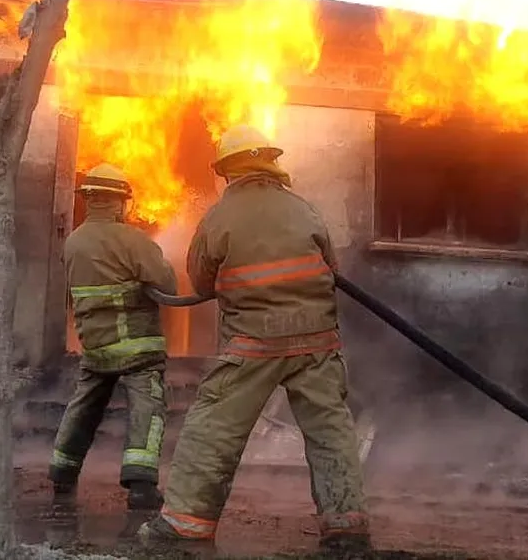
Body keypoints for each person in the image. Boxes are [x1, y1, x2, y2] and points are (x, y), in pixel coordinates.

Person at [139, 125, 370, 552]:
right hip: (316, 343)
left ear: (228, 171)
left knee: (213, 429)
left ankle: (185, 525)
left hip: (252, 346)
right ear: (271, 163)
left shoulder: (220, 218)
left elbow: (202, 278)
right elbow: (331, 269)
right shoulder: (305, 211)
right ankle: (346, 528)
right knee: (331, 433)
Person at [50, 163, 178, 512]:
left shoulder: (73, 241)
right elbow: (167, 285)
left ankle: (62, 474)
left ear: (89, 199)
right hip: (138, 348)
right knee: (147, 408)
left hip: (95, 345)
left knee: (84, 406)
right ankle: (141, 486)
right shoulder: (133, 239)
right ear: (121, 202)